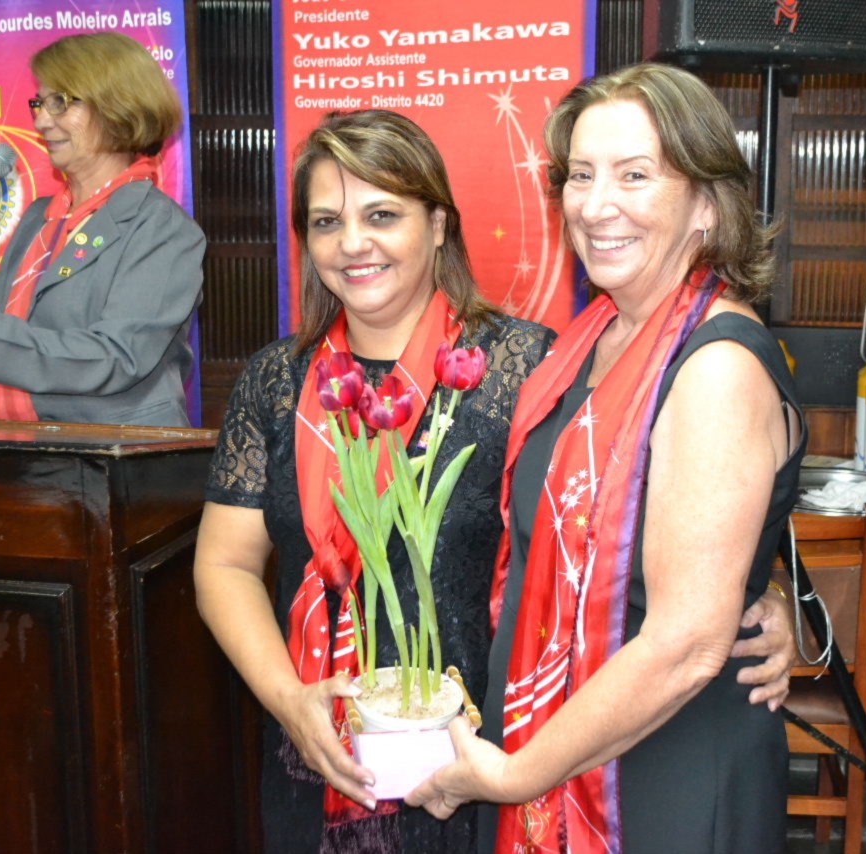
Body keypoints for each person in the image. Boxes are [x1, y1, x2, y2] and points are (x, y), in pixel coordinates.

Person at [193, 109, 797, 854]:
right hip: (316, 750)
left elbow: (626, 518)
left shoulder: (523, 367)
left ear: (437, 225)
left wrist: (761, 594)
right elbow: (224, 564)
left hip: (484, 760)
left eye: (382, 215)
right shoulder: (276, 382)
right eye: (326, 222)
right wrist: (289, 701)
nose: (352, 243)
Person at [406, 63, 807, 854]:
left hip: (665, 769)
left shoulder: (716, 366)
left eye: (634, 175)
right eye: (580, 176)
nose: (595, 205)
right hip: (568, 738)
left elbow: (686, 642)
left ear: (706, 203)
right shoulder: (591, 340)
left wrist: (513, 776)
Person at [0, 32, 204, 427]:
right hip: (14, 443)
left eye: (60, 103)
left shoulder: (161, 228)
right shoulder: (40, 216)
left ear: (117, 106)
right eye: (39, 103)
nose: (41, 121)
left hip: (109, 451)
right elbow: (3, 334)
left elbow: (116, 356)